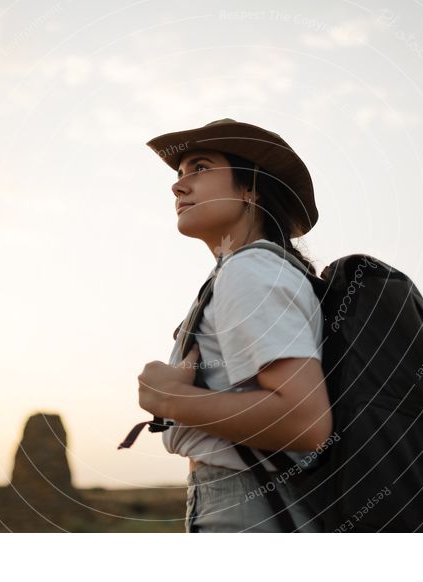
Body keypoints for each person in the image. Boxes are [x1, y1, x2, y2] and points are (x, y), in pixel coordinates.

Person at [136, 119, 332, 532]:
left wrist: (168, 400)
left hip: (248, 513)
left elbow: (304, 421)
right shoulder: (250, 270)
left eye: (201, 168)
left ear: (250, 189)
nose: (178, 186)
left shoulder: (250, 270)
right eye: (179, 174)